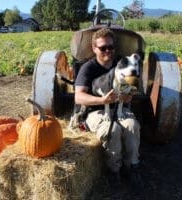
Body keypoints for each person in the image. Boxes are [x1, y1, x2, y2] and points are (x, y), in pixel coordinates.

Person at [74, 27, 143, 190]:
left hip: (120, 107)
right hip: (96, 110)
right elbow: (79, 96)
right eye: (103, 48)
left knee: (132, 126)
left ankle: (132, 166)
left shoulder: (123, 62)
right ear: (94, 48)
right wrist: (101, 99)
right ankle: (114, 170)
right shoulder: (88, 68)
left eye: (110, 47)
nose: (107, 51)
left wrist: (127, 93)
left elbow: (130, 92)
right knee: (111, 130)